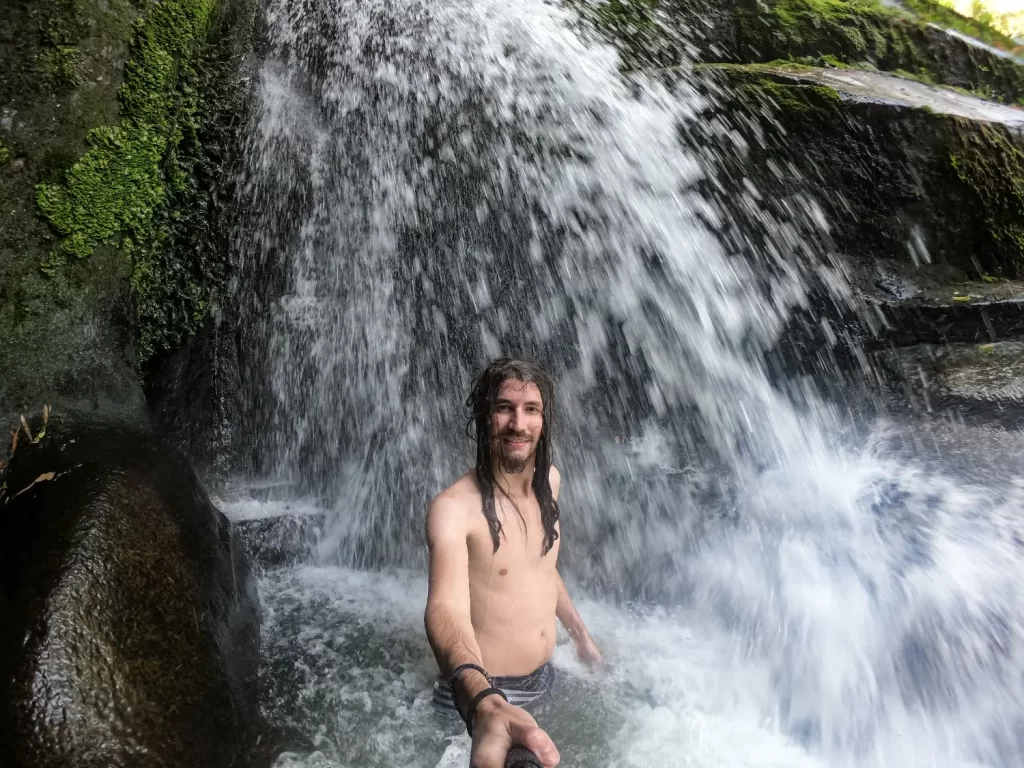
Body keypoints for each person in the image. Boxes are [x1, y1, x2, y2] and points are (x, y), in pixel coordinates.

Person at [424, 358, 602, 768]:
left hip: (546, 677)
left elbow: (541, 568)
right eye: (504, 407)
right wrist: (483, 702)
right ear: (484, 416)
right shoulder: (453, 509)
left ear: (544, 420)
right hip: (481, 694)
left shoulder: (550, 481)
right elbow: (443, 608)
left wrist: (580, 635)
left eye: (531, 410)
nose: (517, 424)